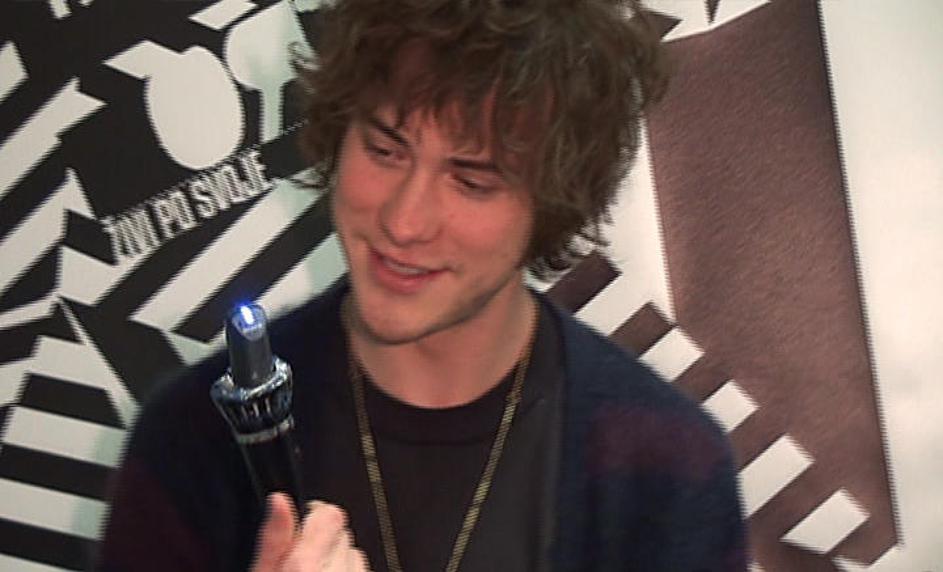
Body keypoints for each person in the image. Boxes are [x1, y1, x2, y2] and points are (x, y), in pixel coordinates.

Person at [99, 0, 747, 570]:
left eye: (471, 180)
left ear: (552, 202)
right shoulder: (194, 439)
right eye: (385, 150)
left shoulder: (667, 465)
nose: (403, 221)